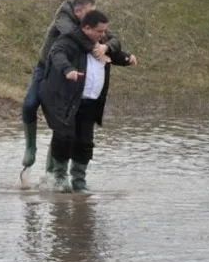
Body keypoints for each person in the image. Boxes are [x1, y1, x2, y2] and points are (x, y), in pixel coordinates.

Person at [20, 0, 126, 171]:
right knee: (30, 104)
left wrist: (106, 47)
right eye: (89, 12)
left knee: (62, 121)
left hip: (68, 74)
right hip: (47, 68)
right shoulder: (63, 18)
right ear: (78, 11)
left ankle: (53, 171)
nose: (93, 15)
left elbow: (113, 39)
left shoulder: (90, 25)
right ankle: (30, 145)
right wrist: (97, 48)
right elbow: (74, 35)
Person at [39, 10, 137, 192]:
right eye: (100, 31)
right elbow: (57, 55)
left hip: (91, 102)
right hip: (67, 100)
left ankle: (79, 180)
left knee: (85, 142)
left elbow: (114, 54)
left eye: (104, 31)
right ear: (86, 28)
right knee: (64, 138)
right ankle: (59, 177)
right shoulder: (68, 41)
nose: (104, 35)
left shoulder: (101, 44)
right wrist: (68, 70)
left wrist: (127, 58)